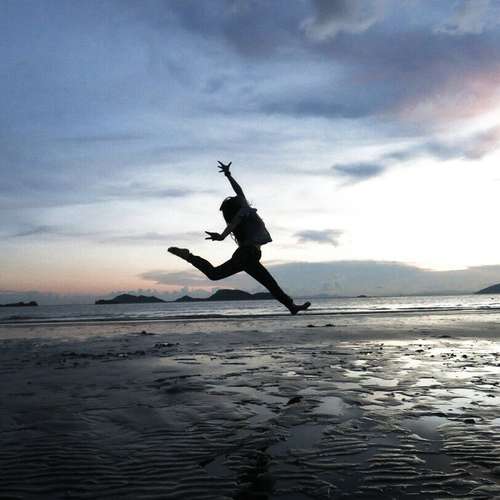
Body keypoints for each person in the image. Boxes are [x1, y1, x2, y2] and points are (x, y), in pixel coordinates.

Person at [168, 161, 311, 315]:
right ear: (237, 205)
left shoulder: (246, 210)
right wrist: (222, 236)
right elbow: (233, 223)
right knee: (265, 283)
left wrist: (228, 174)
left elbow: (238, 190)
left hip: (250, 255)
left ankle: (291, 306)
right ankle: (188, 256)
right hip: (247, 254)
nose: (240, 198)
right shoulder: (242, 213)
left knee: (220, 275)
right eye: (238, 199)